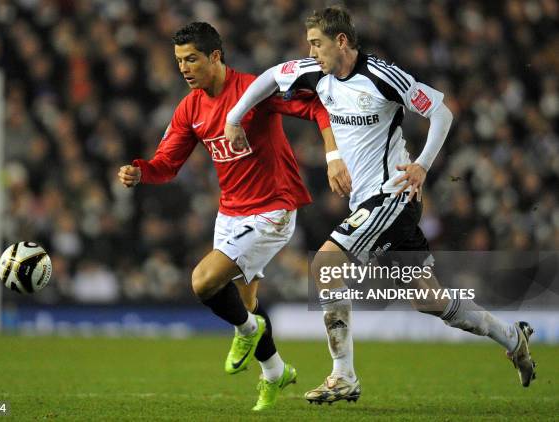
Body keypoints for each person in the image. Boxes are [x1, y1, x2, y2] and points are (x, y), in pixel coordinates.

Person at [225, 6, 536, 405]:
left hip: (391, 196)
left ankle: (343, 375)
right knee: (429, 299)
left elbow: (441, 112)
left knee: (324, 264)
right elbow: (269, 77)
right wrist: (234, 117)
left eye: (317, 43)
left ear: (341, 41)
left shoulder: (383, 76)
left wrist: (422, 165)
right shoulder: (316, 72)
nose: (312, 52)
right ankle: (512, 337)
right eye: (309, 45)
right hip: (374, 203)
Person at [117, 22, 343, 411]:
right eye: (179, 61)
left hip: (273, 207)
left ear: (215, 57)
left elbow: (315, 108)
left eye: (191, 59)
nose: (184, 68)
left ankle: (247, 330)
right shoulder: (190, 107)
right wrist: (141, 171)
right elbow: (168, 164)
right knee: (245, 301)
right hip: (230, 214)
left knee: (203, 282)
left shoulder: (253, 90)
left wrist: (333, 156)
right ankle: (275, 372)